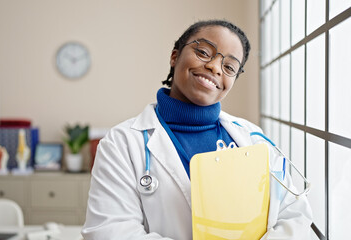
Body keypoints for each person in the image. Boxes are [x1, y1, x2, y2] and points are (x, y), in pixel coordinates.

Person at [82, 19, 313, 240]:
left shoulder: (253, 139)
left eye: (229, 66)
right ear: (175, 56)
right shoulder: (121, 143)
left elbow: (294, 215)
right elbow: (109, 232)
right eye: (203, 52)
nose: (214, 67)